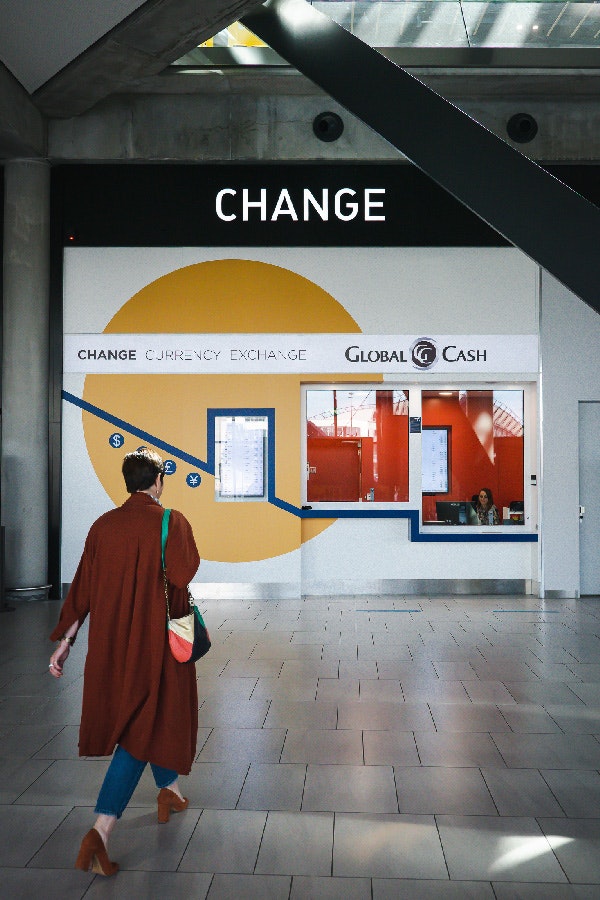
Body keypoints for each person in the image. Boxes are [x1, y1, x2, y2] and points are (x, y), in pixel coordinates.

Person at [48, 448, 200, 876]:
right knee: (142, 727)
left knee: (147, 717)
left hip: (113, 648)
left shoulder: (102, 526)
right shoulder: (172, 521)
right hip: (158, 645)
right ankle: (101, 830)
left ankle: (169, 791)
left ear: (127, 481)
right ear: (156, 482)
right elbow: (185, 573)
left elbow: (83, 590)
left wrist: (65, 643)